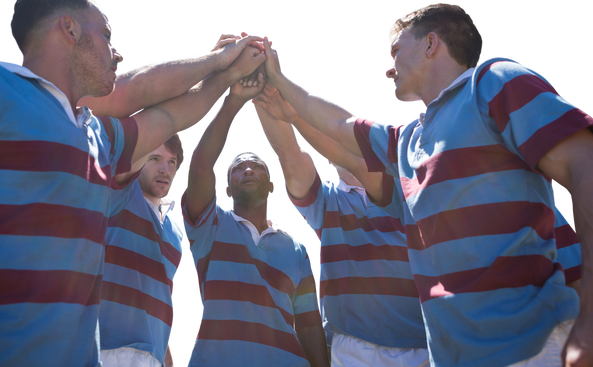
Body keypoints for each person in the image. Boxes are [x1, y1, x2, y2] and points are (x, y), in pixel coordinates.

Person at [256, 1, 593, 367]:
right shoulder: (409, 140)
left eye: (395, 51)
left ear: (431, 43)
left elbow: (586, 168)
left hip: (533, 349)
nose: (387, 69)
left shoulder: (494, 80)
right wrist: (279, 83)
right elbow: (342, 127)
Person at [0, 0, 265, 365]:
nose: (119, 52)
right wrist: (217, 59)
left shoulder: (100, 139)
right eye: (108, 35)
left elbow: (173, 113)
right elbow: (138, 90)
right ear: (70, 29)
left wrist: (226, 66)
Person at [252, 85, 429, 367]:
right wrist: (260, 91)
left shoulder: (407, 188)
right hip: (351, 347)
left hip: (422, 347)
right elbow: (289, 155)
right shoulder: (327, 199)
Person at [178, 72, 329, 366]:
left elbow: (309, 325)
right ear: (225, 189)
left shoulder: (298, 249)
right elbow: (200, 166)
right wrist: (234, 99)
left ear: (273, 186)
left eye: (258, 166)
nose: (248, 171)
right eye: (238, 168)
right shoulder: (210, 226)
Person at [99, 135, 187, 367]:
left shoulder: (176, 230)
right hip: (106, 349)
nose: (164, 169)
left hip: (151, 356)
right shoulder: (120, 196)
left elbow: (158, 301)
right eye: (154, 158)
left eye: (171, 162)